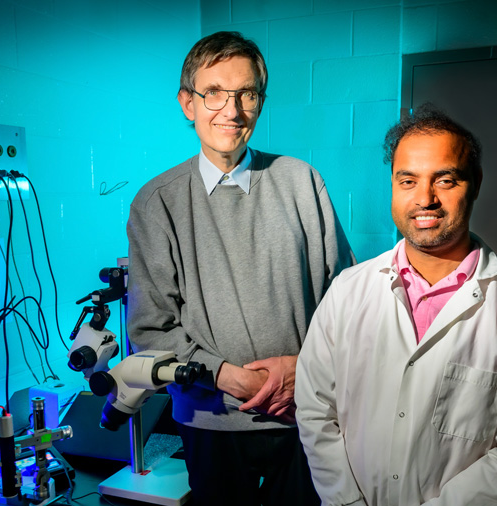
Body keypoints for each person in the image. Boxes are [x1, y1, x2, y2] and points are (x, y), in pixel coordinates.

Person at [295, 104, 497, 505]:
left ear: (474, 183)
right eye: (408, 180)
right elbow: (316, 410)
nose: (425, 198)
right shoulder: (347, 291)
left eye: (445, 180)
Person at [126, 31, 355, 506]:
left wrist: (303, 370)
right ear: (187, 103)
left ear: (260, 101)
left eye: (246, 94)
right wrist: (229, 376)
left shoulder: (301, 181)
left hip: (306, 414)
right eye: (213, 93)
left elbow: (348, 299)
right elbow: (152, 331)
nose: (231, 111)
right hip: (211, 424)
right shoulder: (158, 203)